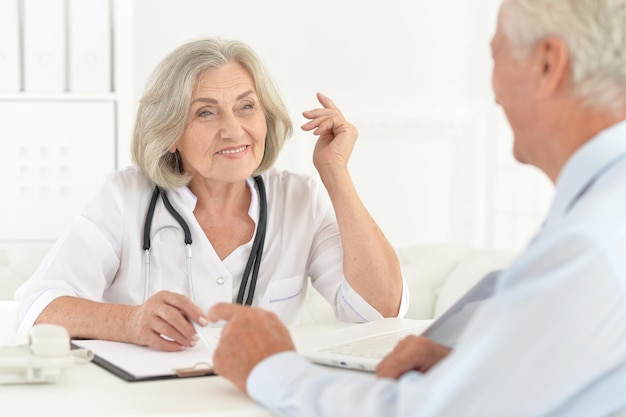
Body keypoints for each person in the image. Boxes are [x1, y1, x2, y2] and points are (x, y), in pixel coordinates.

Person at [206, 0, 626, 415]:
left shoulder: (591, 241)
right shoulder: (601, 214)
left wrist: (271, 369)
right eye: (206, 112)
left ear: (547, 65)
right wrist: (479, 363)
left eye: (495, 53)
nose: (493, 91)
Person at [14, 38, 407, 352]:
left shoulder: (299, 197)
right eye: (206, 112)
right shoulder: (124, 196)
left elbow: (379, 310)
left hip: (259, 400)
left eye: (246, 107)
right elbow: (37, 309)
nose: (234, 130)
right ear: (169, 133)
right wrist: (129, 321)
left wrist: (335, 174)